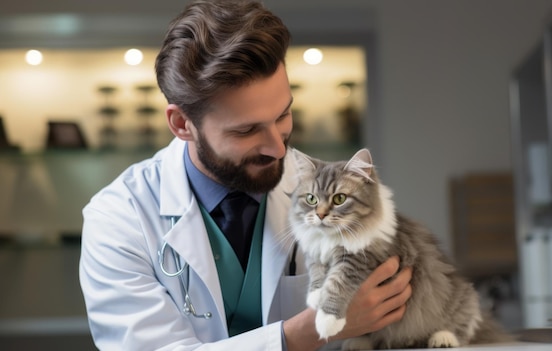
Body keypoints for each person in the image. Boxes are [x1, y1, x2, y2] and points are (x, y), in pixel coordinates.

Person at [78, 0, 412, 350]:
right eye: (247, 130)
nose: (278, 149)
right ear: (182, 124)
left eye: (283, 115)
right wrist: (309, 330)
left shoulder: (323, 188)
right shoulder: (119, 218)